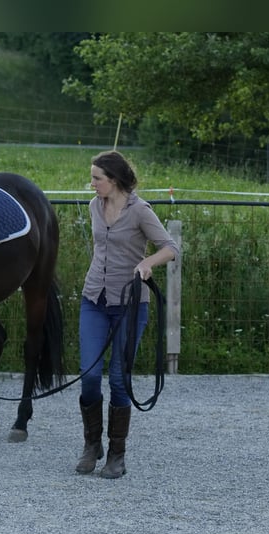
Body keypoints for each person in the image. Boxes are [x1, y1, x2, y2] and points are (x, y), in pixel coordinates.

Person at [76, 150, 179, 478]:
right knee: (89, 375)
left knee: (119, 378)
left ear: (115, 180)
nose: (91, 184)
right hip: (94, 299)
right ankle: (92, 445)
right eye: (92, 177)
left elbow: (171, 247)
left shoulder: (140, 211)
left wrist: (148, 263)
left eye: (97, 178)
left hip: (130, 306)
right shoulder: (95, 206)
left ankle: (116, 453)